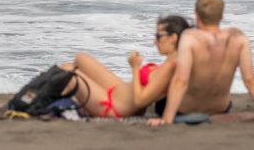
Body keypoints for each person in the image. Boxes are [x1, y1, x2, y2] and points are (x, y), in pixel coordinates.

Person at [149, 0, 254, 126]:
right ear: (221, 16)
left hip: (184, 110)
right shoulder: (238, 38)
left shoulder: (189, 37)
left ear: (197, 16)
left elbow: (181, 81)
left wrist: (166, 120)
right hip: (221, 110)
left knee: (161, 101)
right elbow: (250, 80)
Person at [61, 15, 190, 118]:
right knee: (81, 58)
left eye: (158, 36)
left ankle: (57, 107)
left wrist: (135, 67)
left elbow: (140, 101)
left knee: (66, 71)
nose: (154, 41)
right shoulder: (174, 62)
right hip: (119, 92)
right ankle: (74, 102)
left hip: (115, 107)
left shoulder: (170, 67)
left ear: (173, 38)